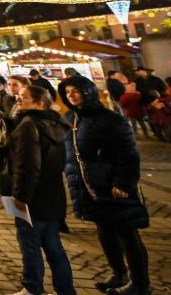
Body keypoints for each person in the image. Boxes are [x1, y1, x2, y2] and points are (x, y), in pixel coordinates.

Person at [61, 72, 151, 295]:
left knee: (127, 234)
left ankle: (140, 284)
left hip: (113, 185)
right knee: (105, 231)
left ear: (88, 92)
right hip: (89, 185)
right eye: (67, 92)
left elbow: (128, 153)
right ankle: (118, 273)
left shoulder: (110, 119)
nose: (71, 95)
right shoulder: (71, 118)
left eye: (76, 91)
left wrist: (123, 182)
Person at [8, 84, 75, 295]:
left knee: (30, 243)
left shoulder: (29, 126)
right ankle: (65, 290)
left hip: (32, 196)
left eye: (24, 97)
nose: (19, 99)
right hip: (53, 192)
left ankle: (32, 287)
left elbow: (27, 164)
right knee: (53, 245)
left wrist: (21, 195)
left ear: (39, 102)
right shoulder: (56, 123)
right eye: (18, 96)